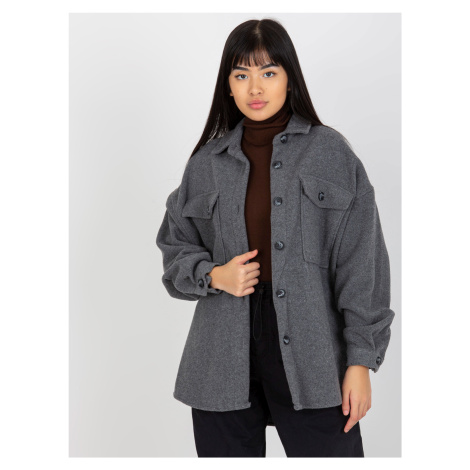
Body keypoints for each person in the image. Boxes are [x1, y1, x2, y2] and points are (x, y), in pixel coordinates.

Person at [156, 18, 395, 457]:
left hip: (314, 352)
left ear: (290, 78)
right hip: (220, 355)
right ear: (228, 86)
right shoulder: (206, 164)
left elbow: (363, 262)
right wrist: (213, 275)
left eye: (268, 72)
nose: (255, 87)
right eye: (241, 75)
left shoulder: (330, 153)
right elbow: (175, 248)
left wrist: (361, 360)